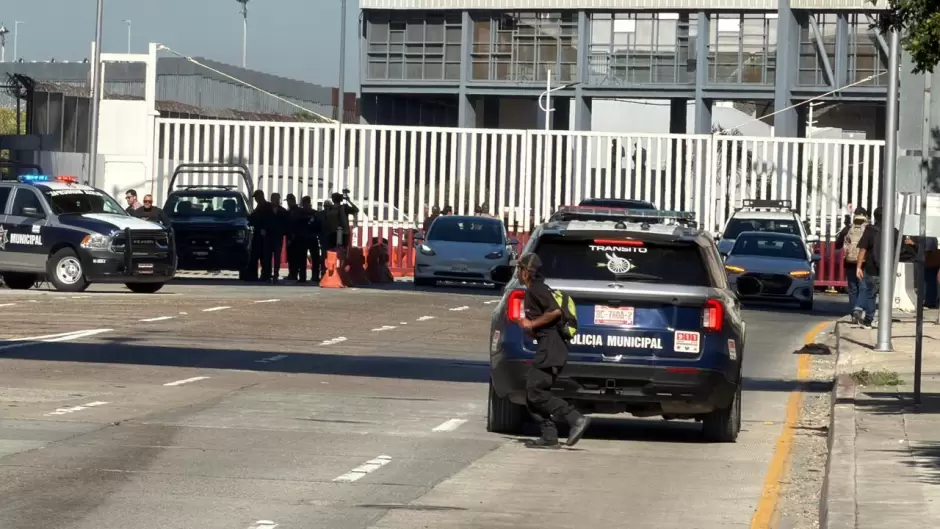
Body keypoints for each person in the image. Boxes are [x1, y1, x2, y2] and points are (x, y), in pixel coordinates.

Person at [514, 253, 591, 449]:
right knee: (533, 393)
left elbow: (555, 311)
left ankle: (575, 418)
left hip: (551, 348)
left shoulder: (536, 290)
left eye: (518, 268)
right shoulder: (538, 289)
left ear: (525, 272)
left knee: (536, 391)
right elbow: (547, 323)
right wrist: (530, 328)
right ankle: (549, 437)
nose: (517, 273)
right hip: (550, 346)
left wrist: (531, 323)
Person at [854, 206, 916, 328]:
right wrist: (913, 243)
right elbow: (904, 245)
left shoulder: (870, 230)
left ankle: (868, 320)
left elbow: (863, 249)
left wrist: (858, 266)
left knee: (870, 293)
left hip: (871, 267)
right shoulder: (894, 231)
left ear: (875, 217)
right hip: (888, 269)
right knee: (885, 295)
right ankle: (884, 321)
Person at [835, 207, 868, 312]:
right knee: (863, 287)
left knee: (853, 288)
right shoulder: (869, 229)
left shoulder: (847, 229)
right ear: (865, 216)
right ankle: (859, 309)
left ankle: (854, 311)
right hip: (864, 262)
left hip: (849, 262)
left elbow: (837, 245)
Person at [248, 190, 273, 281]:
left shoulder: (268, 207)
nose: (256, 199)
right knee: (255, 255)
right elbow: (253, 218)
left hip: (265, 235)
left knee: (265, 257)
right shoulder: (258, 207)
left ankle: (266, 275)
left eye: (257, 197)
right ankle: (253, 275)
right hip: (257, 234)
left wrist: (265, 229)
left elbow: (270, 220)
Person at [267, 192, 291, 284]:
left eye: (277, 199)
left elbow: (287, 225)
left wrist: (284, 233)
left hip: (278, 237)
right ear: (271, 199)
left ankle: (276, 274)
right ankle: (267, 274)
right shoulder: (266, 210)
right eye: (274, 199)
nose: (276, 201)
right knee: (267, 256)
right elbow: (262, 220)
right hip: (268, 236)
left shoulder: (283, 211)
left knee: (277, 256)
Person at [298, 196, 321, 282]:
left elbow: (318, 225)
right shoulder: (302, 213)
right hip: (305, 238)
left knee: (314, 258)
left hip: (310, 237)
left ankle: (313, 276)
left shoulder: (314, 213)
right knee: (303, 258)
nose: (305, 205)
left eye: (306, 203)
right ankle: (303, 277)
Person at [285, 194, 302, 281]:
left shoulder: (296, 211)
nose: (288, 203)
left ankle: (294, 274)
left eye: (289, 201)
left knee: (294, 257)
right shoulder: (290, 211)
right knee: (291, 257)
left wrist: (292, 237)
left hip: (296, 238)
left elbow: (295, 225)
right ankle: (292, 273)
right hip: (290, 237)